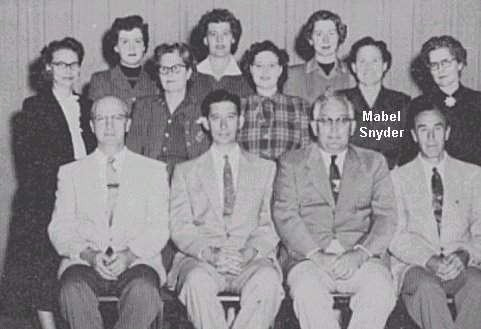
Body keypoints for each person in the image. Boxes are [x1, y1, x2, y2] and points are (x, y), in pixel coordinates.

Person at [273, 90, 397, 329]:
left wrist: (360, 254)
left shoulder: (374, 162)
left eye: (341, 121)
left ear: (352, 126)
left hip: (360, 257)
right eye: (326, 121)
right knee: (307, 293)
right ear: (313, 126)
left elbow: (386, 217)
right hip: (309, 258)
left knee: (381, 290)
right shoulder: (291, 162)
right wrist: (317, 254)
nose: (334, 129)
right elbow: (285, 216)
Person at [0, 37, 96, 329]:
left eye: (73, 64)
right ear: (48, 68)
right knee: (43, 264)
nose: (67, 70)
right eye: (60, 64)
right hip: (46, 197)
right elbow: (32, 166)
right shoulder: (34, 108)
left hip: (87, 195)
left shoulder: (90, 106)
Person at [48, 96, 168, 329]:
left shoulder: (152, 171)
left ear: (128, 124)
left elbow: (159, 227)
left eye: (117, 118)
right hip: (84, 262)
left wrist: (128, 255)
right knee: (72, 290)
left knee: (144, 292)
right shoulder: (71, 172)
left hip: (137, 261)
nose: (110, 125)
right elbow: (60, 227)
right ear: (91, 126)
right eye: (102, 118)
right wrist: (89, 255)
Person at [169, 90, 283, 329]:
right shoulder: (185, 171)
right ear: (205, 123)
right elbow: (180, 226)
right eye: (215, 118)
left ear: (240, 121)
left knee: (268, 281)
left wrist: (248, 253)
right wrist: (211, 254)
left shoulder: (266, 169)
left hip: (250, 258)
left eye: (230, 117)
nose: (223, 125)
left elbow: (271, 224)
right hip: (202, 260)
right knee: (196, 282)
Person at [389, 100, 481, 329]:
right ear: (413, 135)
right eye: (423, 130)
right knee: (427, 289)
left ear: (447, 132)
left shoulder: (472, 175)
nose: (431, 137)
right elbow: (395, 234)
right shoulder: (397, 178)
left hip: (461, 263)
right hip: (416, 266)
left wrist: (464, 255)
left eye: (437, 128)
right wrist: (428, 260)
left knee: (477, 286)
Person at [127, 42, 210, 179]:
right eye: (164, 69)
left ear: (189, 73)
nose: (169, 75)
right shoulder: (144, 107)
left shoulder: (202, 110)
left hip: (188, 183)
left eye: (176, 69)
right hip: (150, 183)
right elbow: (132, 155)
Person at [408, 35, 481, 166]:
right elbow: (410, 152)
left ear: (459, 64)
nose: (440, 70)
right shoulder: (418, 105)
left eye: (445, 63)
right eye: (434, 65)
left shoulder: (477, 101)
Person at [339, 37, 411, 169]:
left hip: (391, 177)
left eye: (375, 61)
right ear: (354, 67)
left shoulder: (402, 102)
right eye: (362, 61)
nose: (369, 67)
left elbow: (409, 148)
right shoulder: (340, 100)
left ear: (384, 65)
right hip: (350, 176)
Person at [238, 40, 310, 160]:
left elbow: (307, 152)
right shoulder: (238, 106)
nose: (265, 72)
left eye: (271, 66)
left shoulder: (299, 106)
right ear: (251, 69)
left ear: (280, 69)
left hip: (288, 177)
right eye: (259, 66)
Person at [89, 15, 157, 111]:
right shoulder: (100, 81)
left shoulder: (155, 82)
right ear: (116, 47)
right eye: (125, 42)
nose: (132, 48)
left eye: (137, 41)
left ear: (144, 46)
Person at [284, 10, 353, 105]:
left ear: (339, 37)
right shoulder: (293, 75)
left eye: (331, 33)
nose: (325, 40)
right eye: (319, 34)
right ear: (310, 39)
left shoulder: (352, 74)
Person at [190, 8, 253, 101]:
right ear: (205, 40)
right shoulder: (191, 76)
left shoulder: (248, 77)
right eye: (213, 34)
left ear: (233, 38)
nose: (219, 39)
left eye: (225, 33)